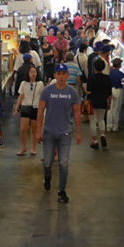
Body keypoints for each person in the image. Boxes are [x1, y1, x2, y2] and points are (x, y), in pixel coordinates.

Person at [36, 64, 82, 204]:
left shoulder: (72, 93)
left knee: (63, 163)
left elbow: (76, 113)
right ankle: (47, 176)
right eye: (59, 74)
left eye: (64, 73)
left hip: (65, 133)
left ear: (67, 75)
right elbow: (40, 111)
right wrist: (39, 131)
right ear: (55, 76)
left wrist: (78, 133)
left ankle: (62, 191)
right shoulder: (47, 91)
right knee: (48, 162)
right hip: (49, 132)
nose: (61, 76)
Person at [14, 64, 44, 156]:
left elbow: (43, 97)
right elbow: (21, 96)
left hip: (36, 108)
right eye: (31, 72)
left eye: (35, 72)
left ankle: (33, 148)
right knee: (23, 129)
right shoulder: (23, 83)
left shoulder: (40, 84)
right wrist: (16, 108)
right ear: (28, 73)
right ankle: (23, 147)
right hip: (25, 107)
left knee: (34, 129)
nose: (33, 74)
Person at [84, 57, 112, 150]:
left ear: (94, 68)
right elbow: (109, 94)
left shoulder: (91, 78)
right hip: (103, 101)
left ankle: (95, 141)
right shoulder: (107, 78)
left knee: (93, 121)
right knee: (101, 119)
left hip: (93, 101)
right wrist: (109, 103)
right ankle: (103, 135)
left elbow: (88, 92)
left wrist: (87, 100)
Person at [107, 57, 124, 131]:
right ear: (120, 66)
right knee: (116, 109)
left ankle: (109, 126)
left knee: (110, 109)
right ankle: (115, 127)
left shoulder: (110, 72)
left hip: (110, 90)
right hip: (118, 91)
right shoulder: (120, 73)